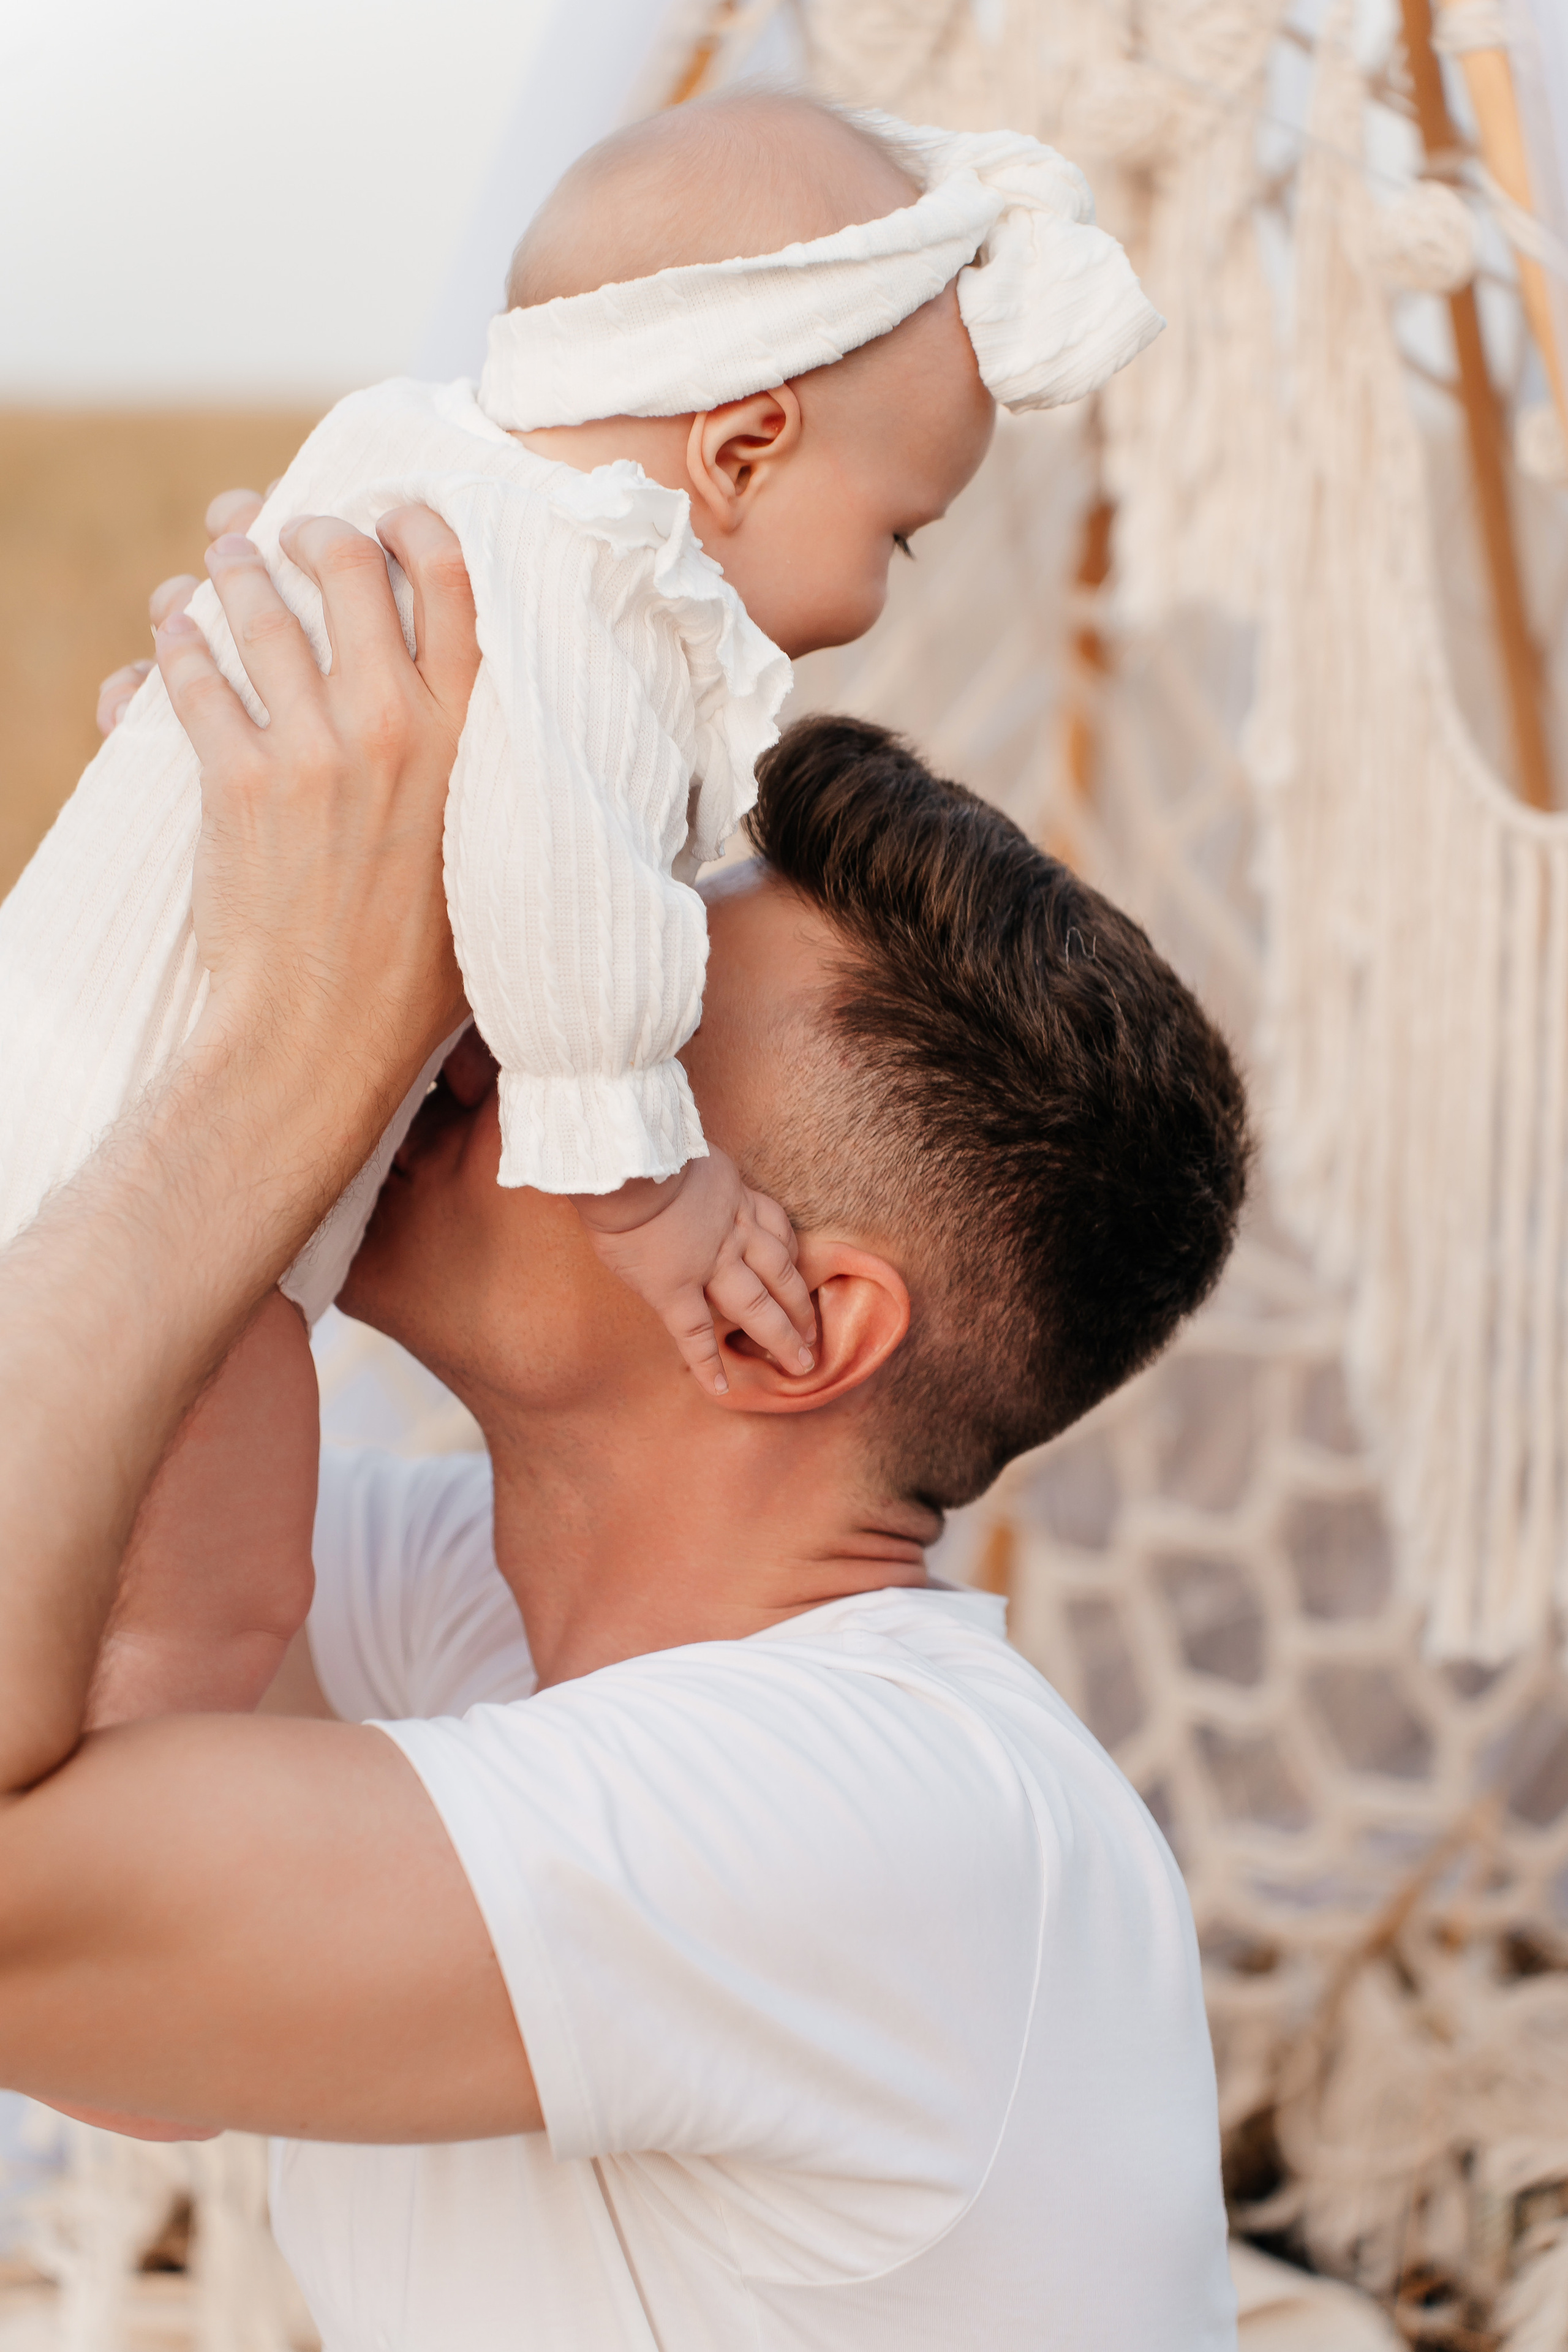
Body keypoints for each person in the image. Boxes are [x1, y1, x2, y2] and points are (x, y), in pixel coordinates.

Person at [0, 494, 1246, 2347]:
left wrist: (278, 1059)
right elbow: (131, 2025)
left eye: (620, 1052)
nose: (489, 1018)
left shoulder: (890, 1823)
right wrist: (180, 955)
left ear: (788, 1323)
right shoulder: (486, 1618)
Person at [0, 89, 1161, 1402]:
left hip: (54, 1085)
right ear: (741, 451)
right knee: (215, 1594)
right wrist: (652, 1193)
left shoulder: (399, 449)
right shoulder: (587, 587)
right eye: (895, 535)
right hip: (167, 1183)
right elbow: (560, 890)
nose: (878, 598)